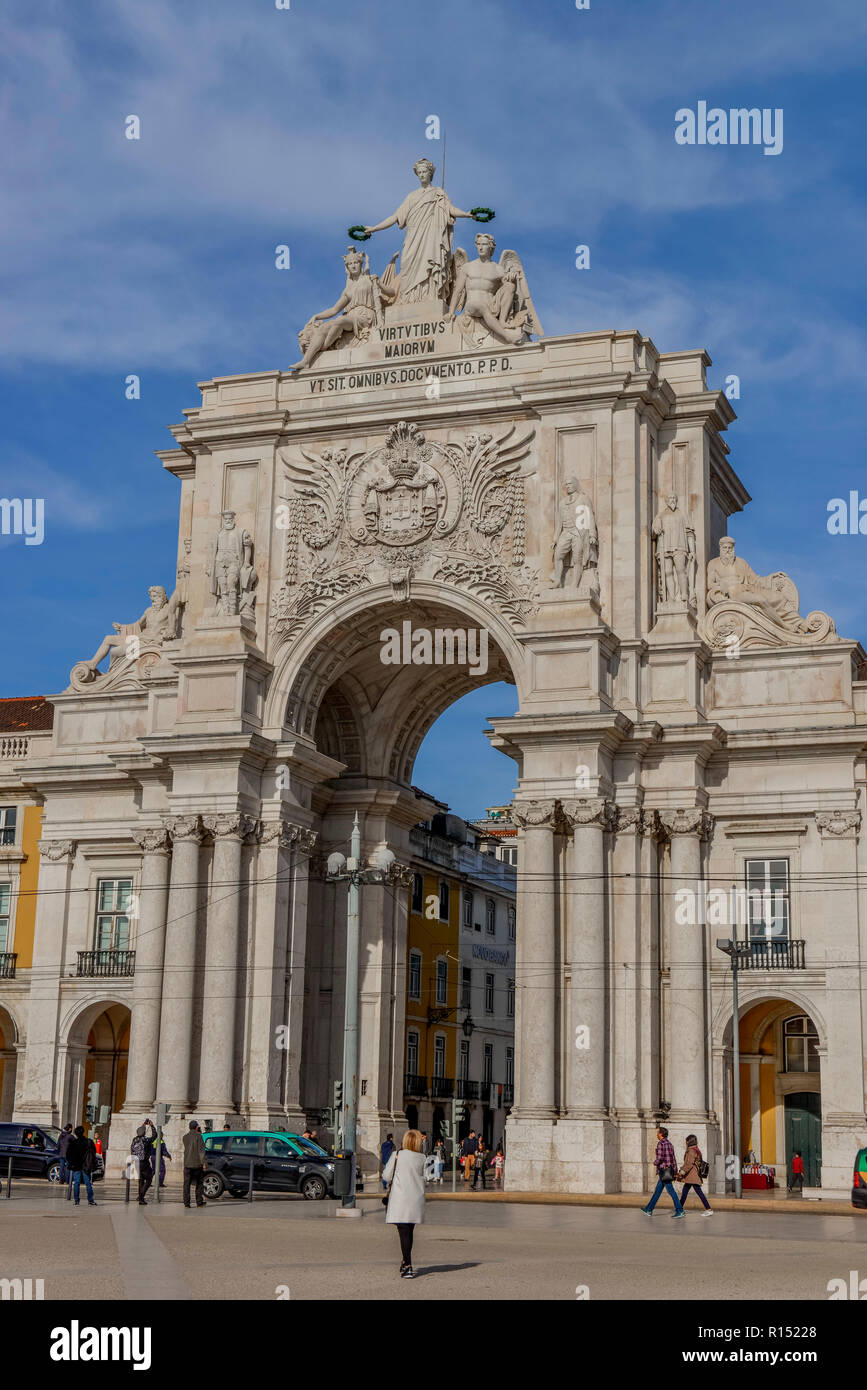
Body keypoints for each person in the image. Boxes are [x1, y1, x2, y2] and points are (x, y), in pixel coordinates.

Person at [383, 1129, 426, 1279]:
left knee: (404, 1232)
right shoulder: (422, 1158)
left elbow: (386, 1176)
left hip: (400, 1199)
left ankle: (408, 1265)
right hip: (415, 1199)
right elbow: (426, 1177)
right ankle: (405, 1261)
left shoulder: (397, 1155)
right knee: (409, 1231)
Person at [641, 1127, 684, 1218]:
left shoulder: (661, 1143)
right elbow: (673, 1158)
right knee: (658, 1191)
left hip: (664, 1171)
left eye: (658, 1133)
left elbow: (660, 1158)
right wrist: (675, 1170)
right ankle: (649, 1209)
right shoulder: (669, 1143)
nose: (657, 1134)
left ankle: (680, 1210)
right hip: (669, 1170)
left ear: (661, 1134)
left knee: (671, 1191)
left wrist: (655, 1162)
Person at [678, 1133, 713, 1215]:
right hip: (692, 1176)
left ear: (689, 1142)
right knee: (685, 1192)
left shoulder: (691, 1151)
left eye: (686, 1141)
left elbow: (689, 1164)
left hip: (692, 1176)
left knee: (697, 1192)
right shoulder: (696, 1150)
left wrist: (682, 1172)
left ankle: (708, 1209)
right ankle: (679, 1208)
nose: (685, 1143)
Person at [67, 1125, 97, 1207]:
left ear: (76, 1134)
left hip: (76, 1166)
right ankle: (90, 1200)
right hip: (86, 1165)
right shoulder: (88, 1142)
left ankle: (76, 1200)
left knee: (76, 1183)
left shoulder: (73, 1143)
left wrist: (71, 1163)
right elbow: (94, 1152)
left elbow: (68, 1155)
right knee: (88, 1183)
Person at [182, 1120, 207, 1208]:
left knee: (186, 1184)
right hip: (197, 1164)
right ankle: (199, 1202)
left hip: (187, 1163)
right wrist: (204, 1163)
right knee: (199, 1183)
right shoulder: (199, 1136)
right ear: (196, 1127)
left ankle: (186, 1203)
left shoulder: (185, 1137)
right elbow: (201, 1151)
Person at [131, 1123, 155, 1205]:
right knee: (149, 1180)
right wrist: (152, 1126)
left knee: (141, 1181)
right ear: (144, 1133)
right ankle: (141, 1197)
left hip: (136, 1162)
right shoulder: (146, 1140)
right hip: (144, 1163)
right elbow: (155, 1136)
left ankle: (140, 1198)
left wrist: (143, 1125)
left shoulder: (134, 1140)